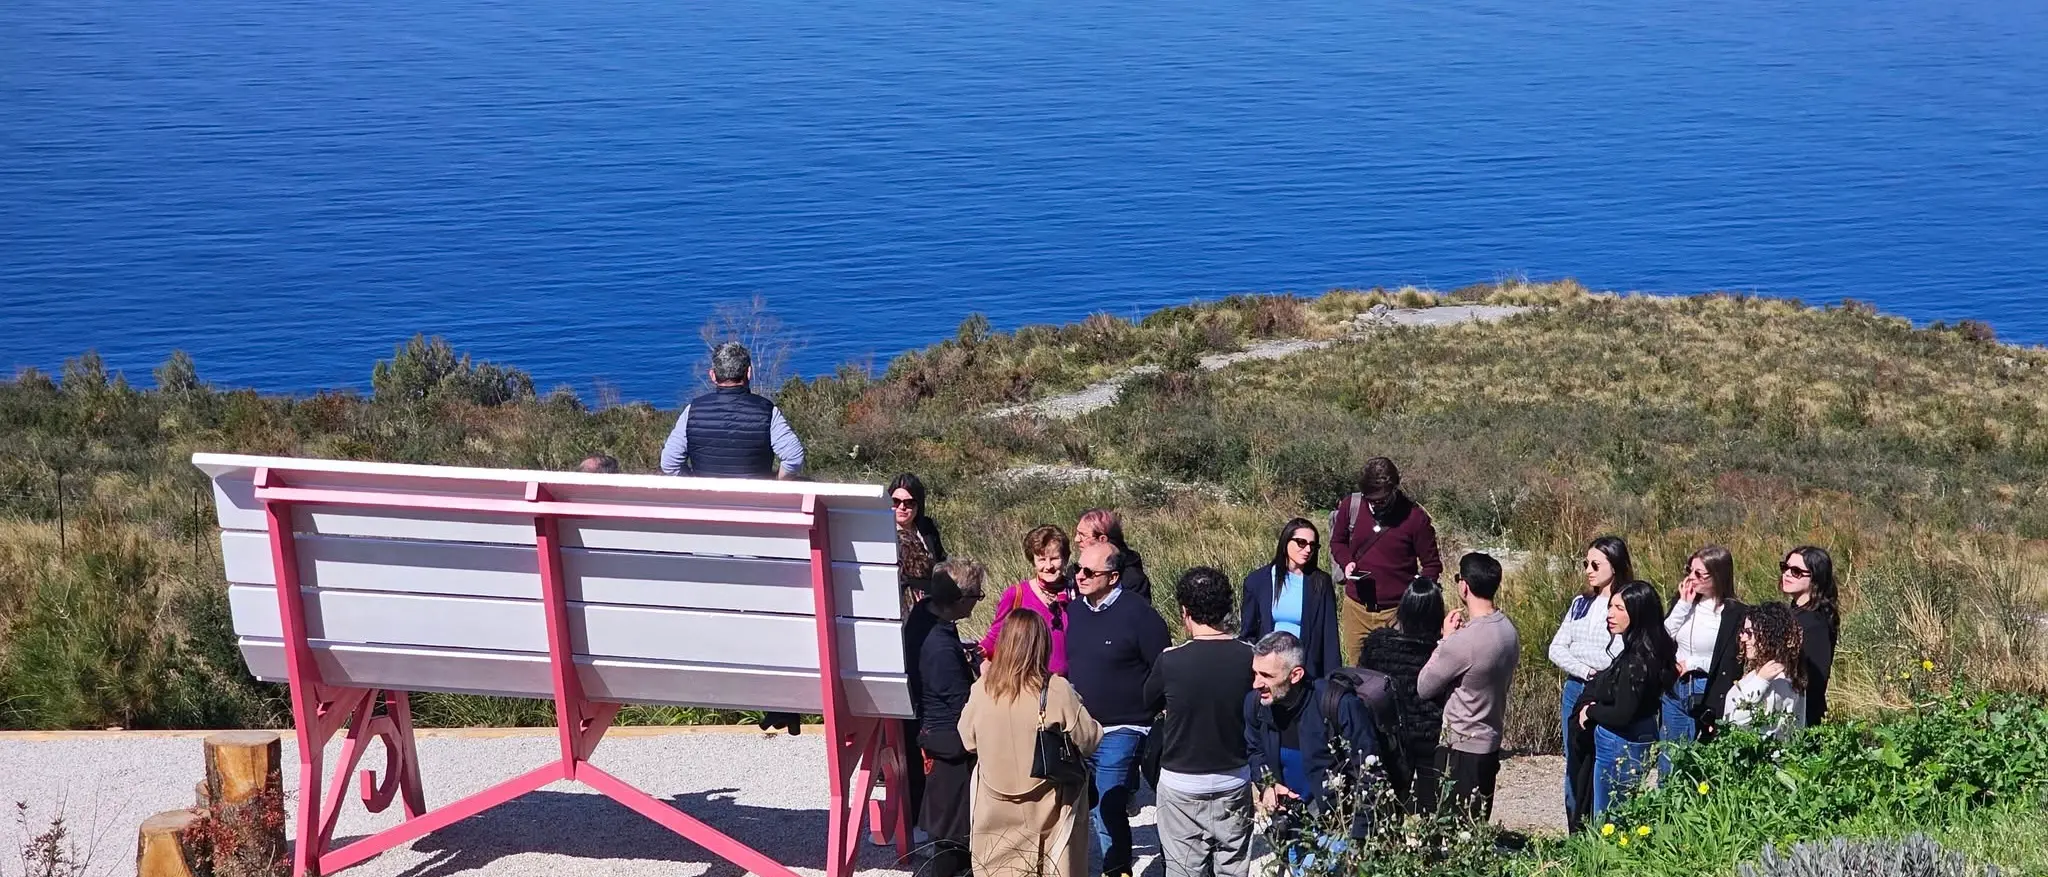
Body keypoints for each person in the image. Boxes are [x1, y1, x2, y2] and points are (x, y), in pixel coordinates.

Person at [960, 609, 1103, 877]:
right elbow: (1089, 740)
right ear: (1043, 645)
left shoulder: (983, 689)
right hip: (1048, 811)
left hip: (995, 808)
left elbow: (968, 740)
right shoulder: (1056, 689)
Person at [1065, 541, 1170, 877]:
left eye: (1088, 572)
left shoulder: (1140, 616)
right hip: (1079, 726)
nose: (1079, 577)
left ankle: (1116, 868)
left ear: (1112, 577)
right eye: (1076, 569)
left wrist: (1153, 711)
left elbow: (1162, 668)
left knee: (1109, 803)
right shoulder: (1074, 611)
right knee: (1087, 802)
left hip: (1124, 727)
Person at [1145, 568, 1257, 877]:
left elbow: (1148, 702)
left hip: (1181, 779)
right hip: (1233, 776)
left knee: (1183, 869)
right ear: (1227, 609)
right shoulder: (1250, 657)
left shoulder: (1170, 660)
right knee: (1233, 867)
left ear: (1185, 611)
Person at [1244, 631, 1380, 864]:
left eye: (1266, 675)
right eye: (1255, 673)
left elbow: (1370, 773)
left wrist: (1357, 842)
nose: (1257, 683)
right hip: (1292, 829)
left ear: (1295, 674)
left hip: (1337, 829)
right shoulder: (1256, 704)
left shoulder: (1338, 705)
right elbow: (1255, 750)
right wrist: (1267, 785)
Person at [1417, 553, 1521, 821]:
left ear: (1464, 586)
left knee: (1450, 830)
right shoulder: (1508, 630)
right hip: (1489, 740)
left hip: (1460, 746)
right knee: (1476, 826)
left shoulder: (1464, 642)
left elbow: (1425, 686)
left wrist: (1445, 641)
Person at [902, 560, 985, 877]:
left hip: (932, 730)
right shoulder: (941, 650)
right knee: (953, 834)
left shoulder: (924, 614)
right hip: (950, 741)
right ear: (961, 600)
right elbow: (961, 706)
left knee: (947, 829)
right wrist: (982, 675)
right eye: (977, 596)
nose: (978, 601)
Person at [1572, 580, 1676, 818]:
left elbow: (1622, 714)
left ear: (1638, 614)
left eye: (1620, 609)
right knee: (1621, 810)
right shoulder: (1652, 648)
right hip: (1640, 735)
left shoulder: (1635, 661)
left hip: (1620, 742)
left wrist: (1590, 711)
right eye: (1611, 606)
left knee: (1609, 815)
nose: (1610, 614)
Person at [1327, 457, 1442, 666]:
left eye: (1381, 500)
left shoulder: (1415, 518)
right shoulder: (1350, 506)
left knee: (1395, 674)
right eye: (1370, 500)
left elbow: (1432, 565)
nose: (1375, 505)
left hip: (1397, 613)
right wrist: (1347, 562)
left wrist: (1416, 600)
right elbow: (1337, 542)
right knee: (1358, 674)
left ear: (1395, 489)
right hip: (1356, 609)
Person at [1547, 535, 1628, 831]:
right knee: (1574, 762)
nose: (1588, 570)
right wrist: (1586, 670)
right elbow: (1557, 648)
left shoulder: (1625, 603)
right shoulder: (1580, 603)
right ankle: (1576, 831)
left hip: (1607, 692)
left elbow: (1623, 651)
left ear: (1615, 565)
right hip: (1575, 688)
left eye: (1595, 564)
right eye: (1586, 564)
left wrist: (1600, 675)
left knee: (1603, 762)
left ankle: (1602, 828)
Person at [1358, 577, 1447, 813]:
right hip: (1427, 732)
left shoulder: (1378, 644)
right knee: (1429, 799)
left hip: (1389, 732)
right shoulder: (1440, 649)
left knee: (1389, 801)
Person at [659, 341, 806, 479]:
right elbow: (793, 457)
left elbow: (669, 464)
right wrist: (777, 482)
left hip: (706, 502)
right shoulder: (767, 412)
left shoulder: (692, 411)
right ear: (749, 373)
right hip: (756, 502)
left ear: (713, 375)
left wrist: (695, 482)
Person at [1662, 545, 1746, 764]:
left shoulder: (1733, 613)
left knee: (1700, 757)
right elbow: (1662, 638)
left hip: (1706, 686)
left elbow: (1731, 658)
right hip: (1675, 686)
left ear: (1717, 576)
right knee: (1671, 756)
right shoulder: (1684, 602)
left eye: (1699, 574)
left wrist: (1692, 662)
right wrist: (1682, 605)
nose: (1691, 578)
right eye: (1689, 570)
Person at [1238, 518, 1342, 681]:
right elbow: (1248, 633)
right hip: (1268, 670)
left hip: (1306, 670)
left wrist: (1333, 681)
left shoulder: (1320, 582)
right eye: (1301, 542)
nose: (1307, 549)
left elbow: (1329, 638)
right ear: (1286, 541)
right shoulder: (1257, 581)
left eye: (1312, 545)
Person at [980, 525, 1075, 676]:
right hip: (1028, 684)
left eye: (1055, 558)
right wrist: (979, 656)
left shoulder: (1076, 593)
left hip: (1069, 687)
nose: (1048, 566)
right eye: (1042, 559)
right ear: (1033, 561)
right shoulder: (1016, 594)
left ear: (1065, 559)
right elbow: (995, 637)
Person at [1721, 601, 1809, 740]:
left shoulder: (1779, 681)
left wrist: (1760, 682)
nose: (1743, 638)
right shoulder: (1762, 672)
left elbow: (1737, 722)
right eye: (1743, 632)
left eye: (1749, 633)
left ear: (1769, 635)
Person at [1779, 546, 1839, 728]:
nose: (1787, 574)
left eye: (1796, 571)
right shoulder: (1796, 612)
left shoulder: (1815, 622)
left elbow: (1816, 680)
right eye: (1785, 567)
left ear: (1815, 578)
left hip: (1800, 717)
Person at [890, 473, 948, 602]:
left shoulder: (927, 528)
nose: (902, 507)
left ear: (918, 505)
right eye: (895, 501)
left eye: (909, 503)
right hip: (898, 601)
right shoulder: (882, 532)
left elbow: (941, 561)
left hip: (930, 600)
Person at [1073, 508, 1153, 600]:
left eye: (1083, 535)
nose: (1077, 539)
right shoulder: (1076, 571)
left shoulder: (1132, 580)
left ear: (1102, 540)